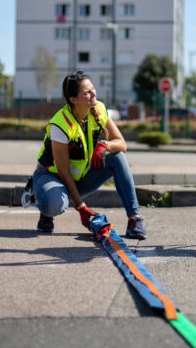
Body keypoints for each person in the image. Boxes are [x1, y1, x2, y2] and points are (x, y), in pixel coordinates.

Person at [30, 71, 146, 239]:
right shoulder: (60, 124)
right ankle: (46, 208)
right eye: (87, 92)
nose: (94, 94)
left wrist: (106, 145)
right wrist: (81, 207)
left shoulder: (98, 109)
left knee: (117, 156)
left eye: (93, 89)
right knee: (55, 204)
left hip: (79, 178)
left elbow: (122, 143)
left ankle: (134, 218)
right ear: (73, 99)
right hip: (52, 176)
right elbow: (63, 172)